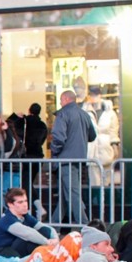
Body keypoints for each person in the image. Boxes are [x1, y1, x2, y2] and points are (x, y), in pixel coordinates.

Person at [48, 90, 96, 226]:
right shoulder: (85, 114)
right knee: (67, 195)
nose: (60, 102)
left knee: (72, 194)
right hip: (79, 160)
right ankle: (55, 225)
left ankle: (85, 226)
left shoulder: (63, 114)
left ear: (65, 99)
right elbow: (92, 136)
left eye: (61, 100)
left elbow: (58, 138)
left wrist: (55, 152)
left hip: (65, 160)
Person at [0, 188, 56, 257]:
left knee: (45, 230)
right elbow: (28, 234)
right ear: (10, 204)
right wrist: (48, 243)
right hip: (4, 256)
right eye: (20, 202)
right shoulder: (7, 219)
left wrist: (55, 240)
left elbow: (45, 227)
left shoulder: (24, 216)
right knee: (28, 238)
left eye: (26, 201)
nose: (25, 205)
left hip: (16, 251)